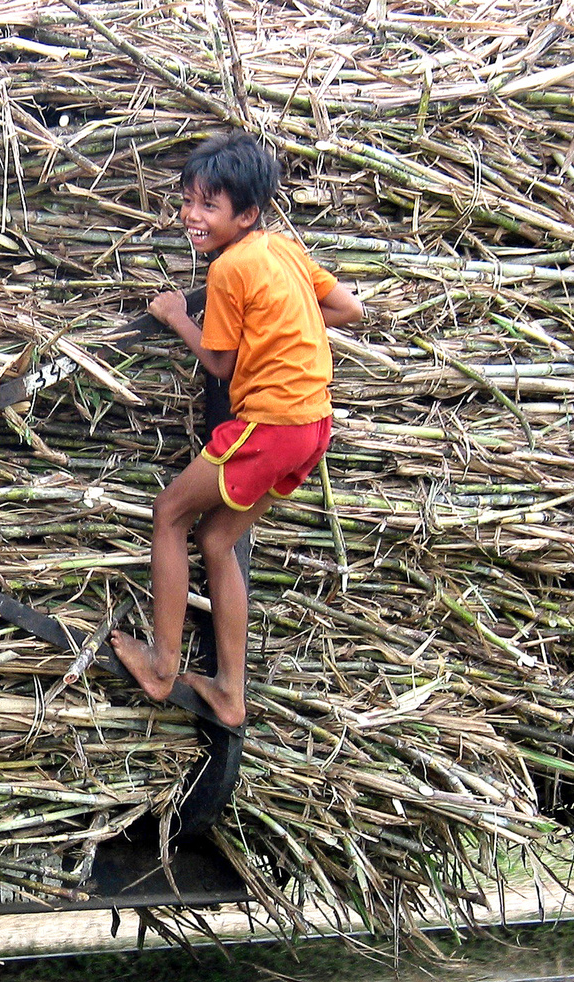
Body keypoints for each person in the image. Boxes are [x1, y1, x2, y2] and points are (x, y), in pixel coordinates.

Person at [110, 132, 362, 732]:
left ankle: (162, 666)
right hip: (311, 426)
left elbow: (220, 365)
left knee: (169, 514)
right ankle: (230, 693)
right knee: (217, 541)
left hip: (269, 424)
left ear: (245, 215)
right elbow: (347, 307)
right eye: (188, 201)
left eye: (208, 207)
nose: (192, 216)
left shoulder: (230, 268)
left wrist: (174, 315)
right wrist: (276, 329)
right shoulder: (281, 250)